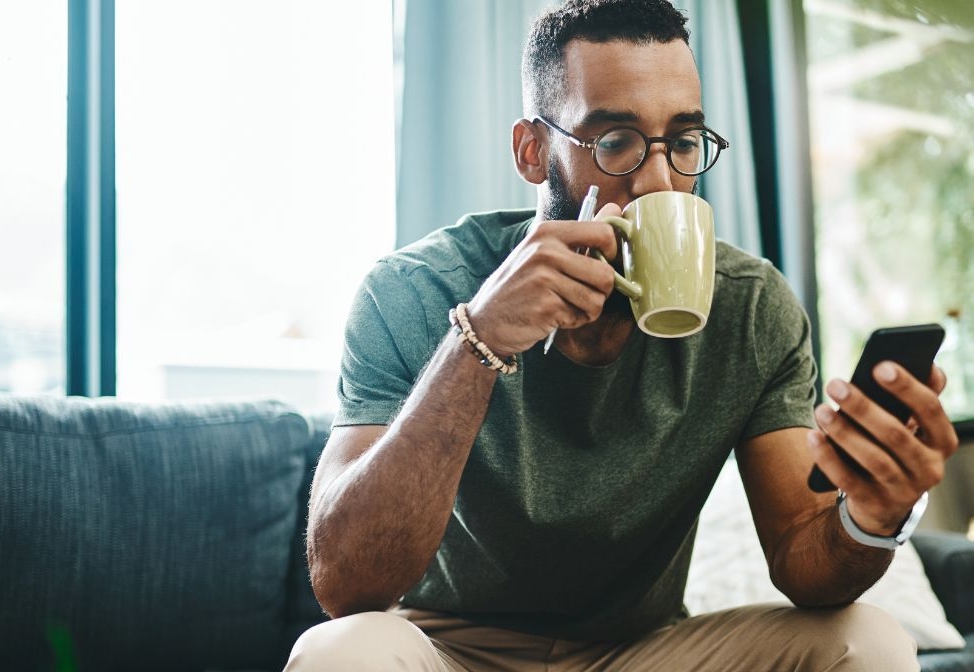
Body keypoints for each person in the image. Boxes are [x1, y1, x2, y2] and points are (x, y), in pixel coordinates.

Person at [285, 1, 960, 670]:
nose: (658, 182)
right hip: (449, 646)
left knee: (866, 640)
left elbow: (802, 564)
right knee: (343, 652)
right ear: (531, 150)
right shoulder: (412, 290)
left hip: (644, 652)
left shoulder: (750, 309)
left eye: (684, 142)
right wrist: (477, 343)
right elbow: (346, 584)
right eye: (614, 142)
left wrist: (870, 515)